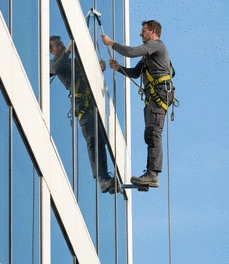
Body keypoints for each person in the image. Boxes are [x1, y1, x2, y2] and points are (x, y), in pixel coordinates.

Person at [101, 20, 174, 188]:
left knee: (153, 132)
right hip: (155, 96)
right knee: (150, 133)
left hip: (159, 94)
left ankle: (152, 174)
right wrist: (119, 68)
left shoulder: (156, 45)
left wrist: (111, 43)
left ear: (153, 32)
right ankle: (151, 173)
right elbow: (135, 73)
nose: (141, 34)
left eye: (144, 31)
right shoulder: (148, 55)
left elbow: (131, 52)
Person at [49, 35, 115, 193]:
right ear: (51, 50)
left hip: (92, 104)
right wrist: (68, 52)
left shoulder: (74, 62)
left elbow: (89, 76)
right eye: (58, 45)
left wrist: (98, 69)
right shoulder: (53, 64)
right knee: (93, 139)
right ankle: (102, 178)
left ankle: (106, 177)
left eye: (62, 43)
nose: (62, 45)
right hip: (82, 106)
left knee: (100, 139)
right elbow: (57, 69)